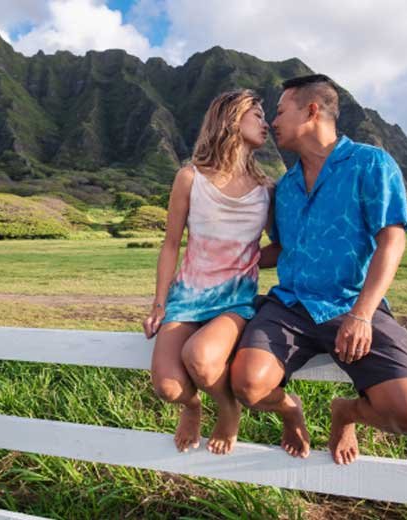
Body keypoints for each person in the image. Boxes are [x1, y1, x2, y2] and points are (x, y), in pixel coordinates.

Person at [229, 74, 407, 465]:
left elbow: (392, 240)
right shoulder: (284, 187)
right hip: (290, 307)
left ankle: (347, 412)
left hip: (353, 304)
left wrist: (362, 314)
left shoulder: (370, 162)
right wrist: (224, 258)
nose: (273, 121)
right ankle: (291, 409)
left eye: (280, 110)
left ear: (311, 110)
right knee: (248, 385)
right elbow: (284, 249)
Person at [144, 89, 274, 455]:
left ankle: (228, 408)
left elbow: (280, 248)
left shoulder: (267, 191)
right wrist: (158, 303)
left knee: (200, 357)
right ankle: (193, 406)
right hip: (187, 297)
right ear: (232, 120)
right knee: (167, 387)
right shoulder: (189, 177)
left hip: (235, 300)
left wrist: (247, 259)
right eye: (257, 115)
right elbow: (171, 244)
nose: (265, 124)